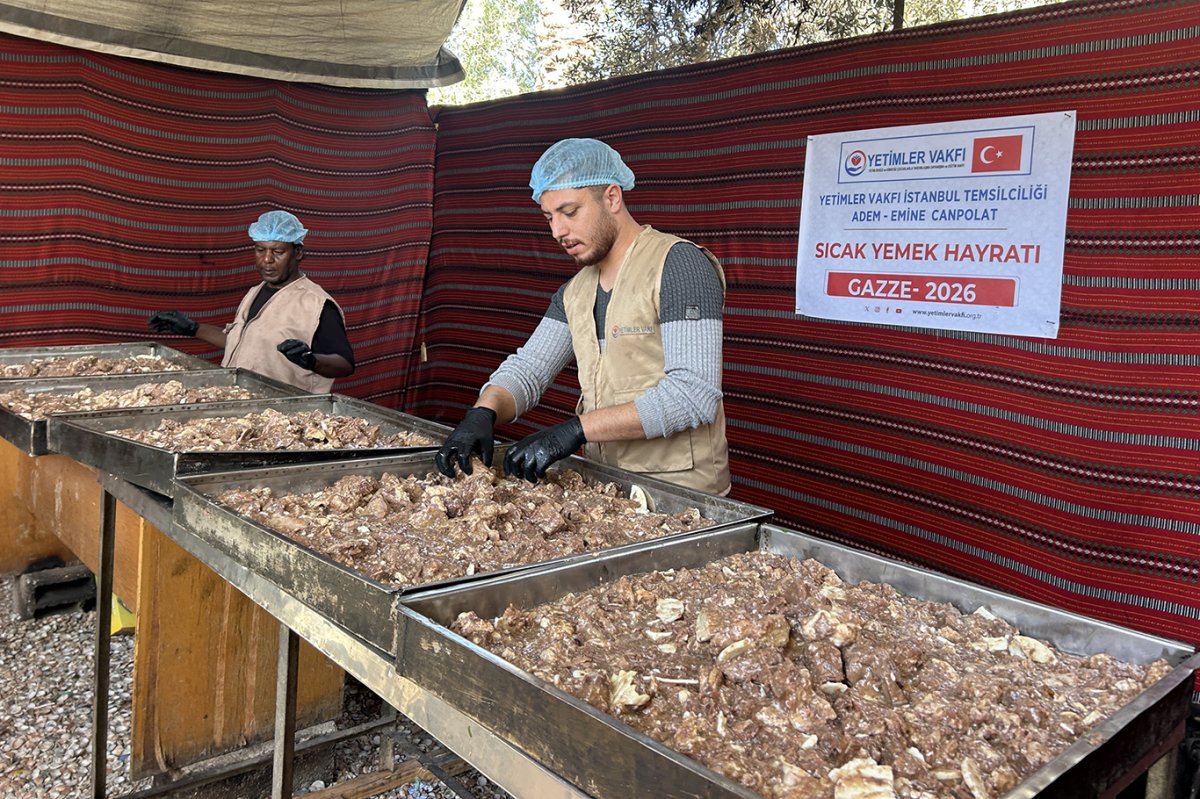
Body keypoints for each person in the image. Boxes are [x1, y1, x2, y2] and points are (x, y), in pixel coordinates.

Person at [435, 138, 730, 495]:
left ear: (612, 197)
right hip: (608, 490)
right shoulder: (575, 291)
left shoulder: (680, 266)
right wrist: (484, 411)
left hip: (682, 497)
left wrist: (576, 430)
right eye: (549, 217)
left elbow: (692, 395)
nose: (557, 231)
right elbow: (529, 369)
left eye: (570, 212)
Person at [149, 210, 354, 392]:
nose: (267, 259)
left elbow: (344, 364)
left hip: (285, 413)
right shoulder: (256, 292)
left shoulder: (316, 305)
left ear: (298, 253)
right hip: (239, 400)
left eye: (278, 251)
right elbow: (245, 342)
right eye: (260, 250)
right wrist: (193, 328)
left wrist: (312, 360)